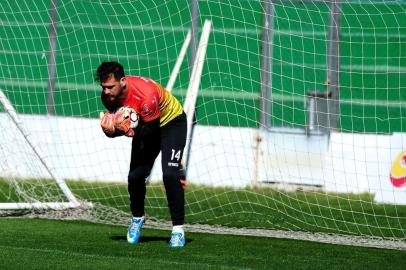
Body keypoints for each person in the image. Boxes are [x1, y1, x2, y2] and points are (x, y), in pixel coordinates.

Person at [96, 61, 187, 248]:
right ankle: (137, 218)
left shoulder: (146, 95)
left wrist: (126, 129)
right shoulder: (108, 98)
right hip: (145, 126)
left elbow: (152, 132)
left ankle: (178, 231)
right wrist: (112, 129)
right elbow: (124, 126)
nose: (106, 91)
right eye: (103, 87)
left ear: (122, 81)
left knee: (169, 175)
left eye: (110, 87)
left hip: (171, 123)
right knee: (135, 177)